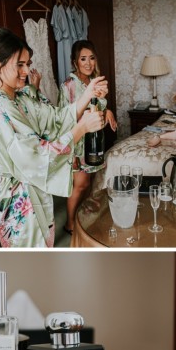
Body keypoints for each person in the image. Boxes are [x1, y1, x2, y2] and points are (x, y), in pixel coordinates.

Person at [0, 28, 106, 247]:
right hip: (18, 202)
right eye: (20, 64)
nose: (27, 71)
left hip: (37, 196)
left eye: (28, 63)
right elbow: (36, 156)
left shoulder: (22, 98)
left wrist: (88, 94)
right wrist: (81, 129)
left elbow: (54, 119)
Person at [58, 40, 117, 234]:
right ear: (75, 62)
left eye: (91, 58)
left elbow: (97, 105)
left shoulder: (95, 81)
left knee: (89, 184)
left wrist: (107, 110)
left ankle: (81, 219)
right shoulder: (68, 86)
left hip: (95, 141)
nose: (88, 63)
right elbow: (63, 118)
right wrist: (71, 153)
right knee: (80, 184)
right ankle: (70, 224)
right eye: (83, 59)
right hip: (78, 142)